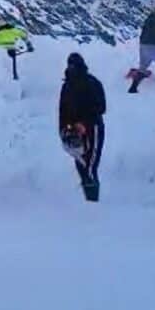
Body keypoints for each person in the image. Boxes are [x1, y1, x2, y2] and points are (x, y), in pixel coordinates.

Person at [58, 53, 106, 202]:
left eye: (74, 65)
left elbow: (100, 107)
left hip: (93, 128)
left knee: (91, 165)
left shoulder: (92, 83)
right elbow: (63, 110)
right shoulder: (67, 85)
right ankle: (88, 201)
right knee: (80, 162)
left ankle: (93, 202)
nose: (71, 67)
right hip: (73, 131)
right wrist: (63, 129)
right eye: (69, 64)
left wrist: (84, 123)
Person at [0, 15, 34, 80]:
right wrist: (28, 44)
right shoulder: (10, 28)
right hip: (13, 48)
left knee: (4, 72)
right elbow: (22, 34)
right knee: (16, 69)